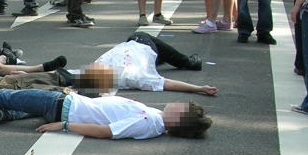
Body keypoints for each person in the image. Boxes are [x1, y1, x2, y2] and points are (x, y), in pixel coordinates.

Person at [0, 88, 211, 139]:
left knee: (4, 95)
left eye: (181, 108)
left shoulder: (148, 122)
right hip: (70, 104)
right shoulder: (155, 119)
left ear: (179, 119)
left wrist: (63, 126)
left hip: (64, 107)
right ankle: (5, 114)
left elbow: (106, 132)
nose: (176, 104)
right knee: (15, 104)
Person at [69, 32, 213, 94]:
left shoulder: (94, 73)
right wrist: (199, 88)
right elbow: (167, 83)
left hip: (137, 50)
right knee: (144, 37)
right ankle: (188, 62)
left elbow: (65, 75)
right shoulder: (131, 77)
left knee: (153, 60)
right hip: (142, 42)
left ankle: (161, 59)